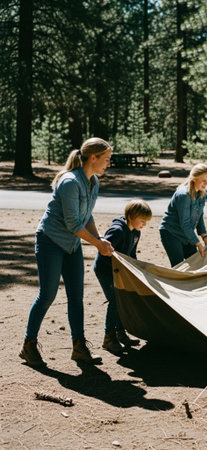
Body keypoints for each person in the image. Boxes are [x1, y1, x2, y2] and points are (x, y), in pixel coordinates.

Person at [19, 137, 114, 368]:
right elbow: (73, 223)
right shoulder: (70, 181)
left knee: (76, 297)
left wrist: (100, 239)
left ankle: (79, 347)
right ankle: (28, 345)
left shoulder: (93, 182)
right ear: (94, 157)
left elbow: (87, 217)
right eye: (107, 159)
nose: (108, 164)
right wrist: (97, 245)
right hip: (50, 241)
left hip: (72, 245)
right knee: (47, 295)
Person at [93, 199, 152, 354]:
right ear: (131, 216)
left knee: (122, 299)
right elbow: (104, 252)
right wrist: (117, 267)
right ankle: (108, 337)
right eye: (142, 221)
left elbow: (131, 253)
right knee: (115, 301)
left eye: (146, 221)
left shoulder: (136, 232)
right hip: (106, 271)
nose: (144, 224)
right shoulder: (117, 231)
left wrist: (136, 269)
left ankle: (120, 333)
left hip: (120, 271)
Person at [159, 163, 207, 267]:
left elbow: (199, 216)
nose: (206, 183)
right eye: (203, 180)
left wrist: (204, 235)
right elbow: (185, 223)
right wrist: (198, 243)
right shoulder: (183, 195)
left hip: (186, 234)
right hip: (171, 233)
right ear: (194, 178)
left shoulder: (202, 193)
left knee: (195, 263)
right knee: (178, 266)